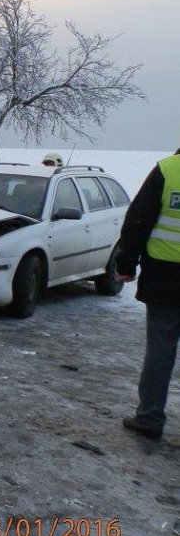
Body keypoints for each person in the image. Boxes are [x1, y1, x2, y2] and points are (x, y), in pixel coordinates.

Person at [115, 149, 180, 440]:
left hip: (165, 279)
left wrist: (126, 264)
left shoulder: (167, 170)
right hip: (164, 279)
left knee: (160, 351)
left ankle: (150, 417)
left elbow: (138, 221)